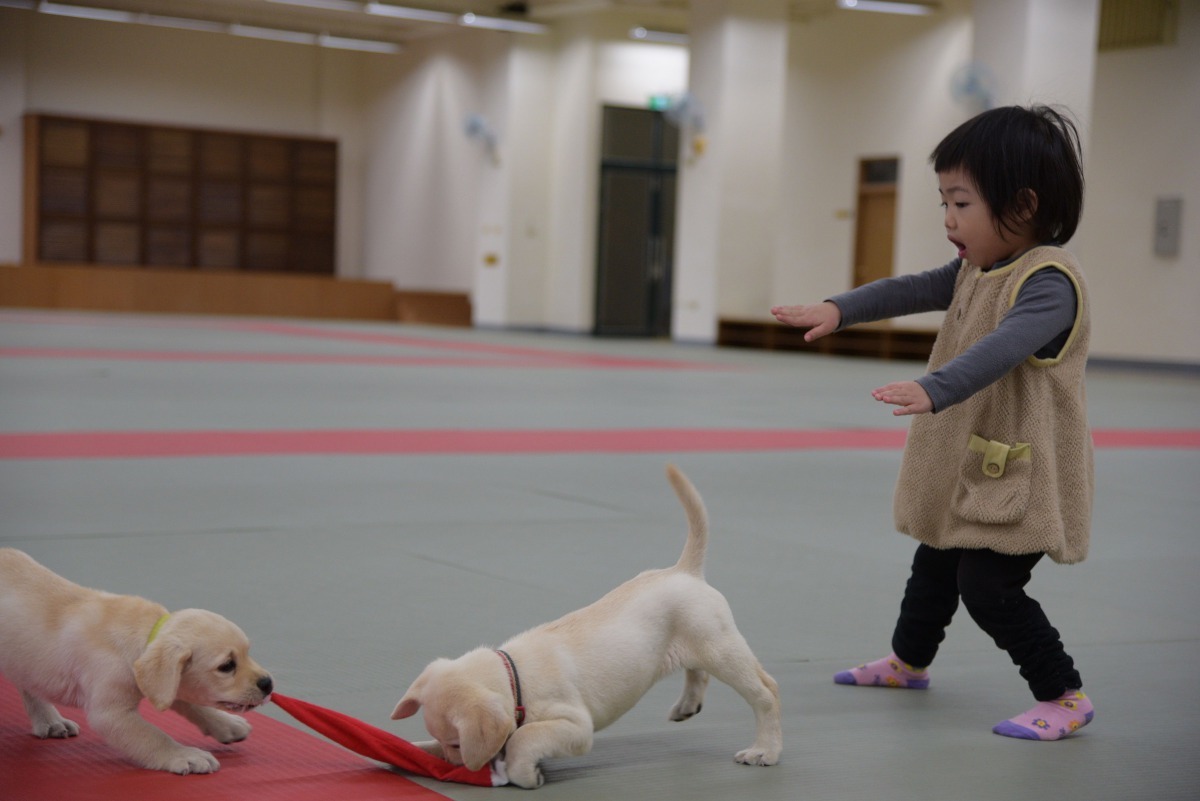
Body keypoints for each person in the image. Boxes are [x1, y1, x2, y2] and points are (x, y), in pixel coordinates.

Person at [771, 104, 1094, 741]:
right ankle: (908, 662)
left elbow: (1004, 346)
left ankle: (1063, 694)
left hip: (1023, 472)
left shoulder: (1049, 283)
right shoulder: (977, 268)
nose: (947, 219)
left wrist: (934, 386)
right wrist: (839, 308)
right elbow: (911, 289)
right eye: (943, 201)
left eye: (961, 203)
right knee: (935, 560)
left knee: (988, 586)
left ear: (1022, 205)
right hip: (977, 461)